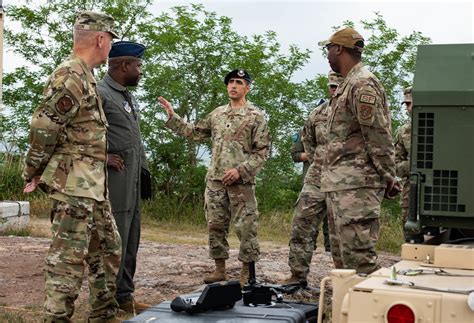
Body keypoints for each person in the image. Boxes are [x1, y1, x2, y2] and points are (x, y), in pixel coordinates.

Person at [22, 11, 122, 322]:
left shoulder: (85, 75)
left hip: (92, 185)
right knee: (68, 259)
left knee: (107, 247)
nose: (111, 49)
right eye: (110, 42)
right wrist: (33, 171)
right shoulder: (70, 75)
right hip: (73, 183)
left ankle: (104, 312)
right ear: (100, 39)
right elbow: (43, 126)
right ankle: (56, 317)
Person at [158, 69, 270, 287]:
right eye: (230, 82)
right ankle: (220, 269)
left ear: (248, 87)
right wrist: (173, 117)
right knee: (215, 225)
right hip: (216, 181)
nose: (233, 86)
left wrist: (241, 171)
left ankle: (248, 272)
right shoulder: (217, 114)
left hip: (241, 184)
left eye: (238, 82)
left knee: (246, 227)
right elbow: (194, 132)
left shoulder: (255, 116)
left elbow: (262, 152)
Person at [318, 28, 399, 274]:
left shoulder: (362, 84)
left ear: (339, 49)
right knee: (343, 262)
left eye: (328, 49)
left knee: (360, 261)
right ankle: (345, 310)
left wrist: (389, 176)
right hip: (341, 185)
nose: (327, 55)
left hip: (358, 187)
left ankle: (368, 310)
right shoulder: (347, 85)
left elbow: (378, 135)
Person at [97, 41, 150, 314]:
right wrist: (102, 156)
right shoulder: (100, 93)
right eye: (139, 66)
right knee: (113, 240)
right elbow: (75, 134)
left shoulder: (126, 96)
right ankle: (105, 300)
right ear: (125, 65)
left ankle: (124, 296)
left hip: (131, 180)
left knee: (131, 238)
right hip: (113, 180)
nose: (141, 71)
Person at [283, 71, 343, 286]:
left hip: (346, 182)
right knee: (301, 225)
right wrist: (320, 160)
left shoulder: (357, 113)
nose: (334, 90)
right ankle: (297, 276)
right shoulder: (318, 113)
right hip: (316, 178)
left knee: (343, 235)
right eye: (332, 86)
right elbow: (307, 140)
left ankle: (346, 280)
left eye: (338, 86)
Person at [394, 87, 413, 234]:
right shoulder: (403, 132)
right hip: (411, 188)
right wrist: (412, 165)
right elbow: (395, 164)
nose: (409, 108)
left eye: (411, 103)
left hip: (439, 189)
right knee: (409, 230)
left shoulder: (443, 128)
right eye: (407, 104)